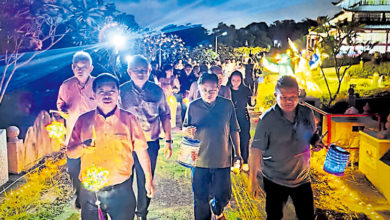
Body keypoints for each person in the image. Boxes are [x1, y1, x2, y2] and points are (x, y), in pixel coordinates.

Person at [67, 73, 155, 220]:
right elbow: (71, 153)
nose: (107, 95)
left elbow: (141, 151)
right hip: (91, 192)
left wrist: (148, 179)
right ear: (94, 94)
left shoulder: (129, 119)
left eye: (112, 91)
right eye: (102, 92)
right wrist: (82, 147)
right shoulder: (84, 121)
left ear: (118, 94)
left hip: (121, 190)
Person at [249, 76, 318, 220]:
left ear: (298, 95)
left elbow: (310, 135)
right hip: (275, 179)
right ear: (275, 96)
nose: (289, 101)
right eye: (284, 97)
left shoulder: (307, 114)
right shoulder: (267, 120)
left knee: (307, 216)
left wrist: (316, 143)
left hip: (302, 179)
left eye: (293, 96)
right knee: (274, 216)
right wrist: (253, 181)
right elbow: (255, 152)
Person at [119, 55, 172, 220]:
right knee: (124, 182)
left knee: (146, 181)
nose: (140, 73)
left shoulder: (157, 91)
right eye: (136, 70)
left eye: (144, 70)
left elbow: (165, 115)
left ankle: (142, 214)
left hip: (150, 143)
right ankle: (126, 213)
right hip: (126, 145)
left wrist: (169, 141)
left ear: (149, 70)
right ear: (129, 72)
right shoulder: (121, 91)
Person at [183, 73, 242, 220]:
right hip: (198, 160)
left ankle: (217, 207)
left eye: (212, 90)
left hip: (222, 160)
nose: (208, 94)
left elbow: (234, 130)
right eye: (204, 90)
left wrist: (238, 153)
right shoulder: (193, 106)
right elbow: (185, 128)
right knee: (200, 199)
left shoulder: (227, 105)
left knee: (224, 195)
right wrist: (187, 131)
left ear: (218, 88)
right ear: (199, 89)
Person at [56, 51, 97, 209]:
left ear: (91, 68)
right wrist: (62, 111)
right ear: (73, 67)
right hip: (73, 137)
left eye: (84, 67)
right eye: (77, 67)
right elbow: (60, 104)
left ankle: (91, 200)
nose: (80, 70)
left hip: (92, 136)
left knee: (92, 170)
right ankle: (79, 194)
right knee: (73, 169)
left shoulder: (97, 85)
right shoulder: (66, 86)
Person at [227, 71, 252, 172]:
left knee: (244, 138)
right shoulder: (227, 90)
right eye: (233, 80)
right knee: (232, 138)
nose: (235, 82)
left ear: (241, 80)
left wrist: (253, 98)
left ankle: (245, 161)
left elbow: (251, 103)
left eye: (238, 80)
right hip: (232, 116)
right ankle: (234, 160)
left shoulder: (246, 90)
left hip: (243, 116)